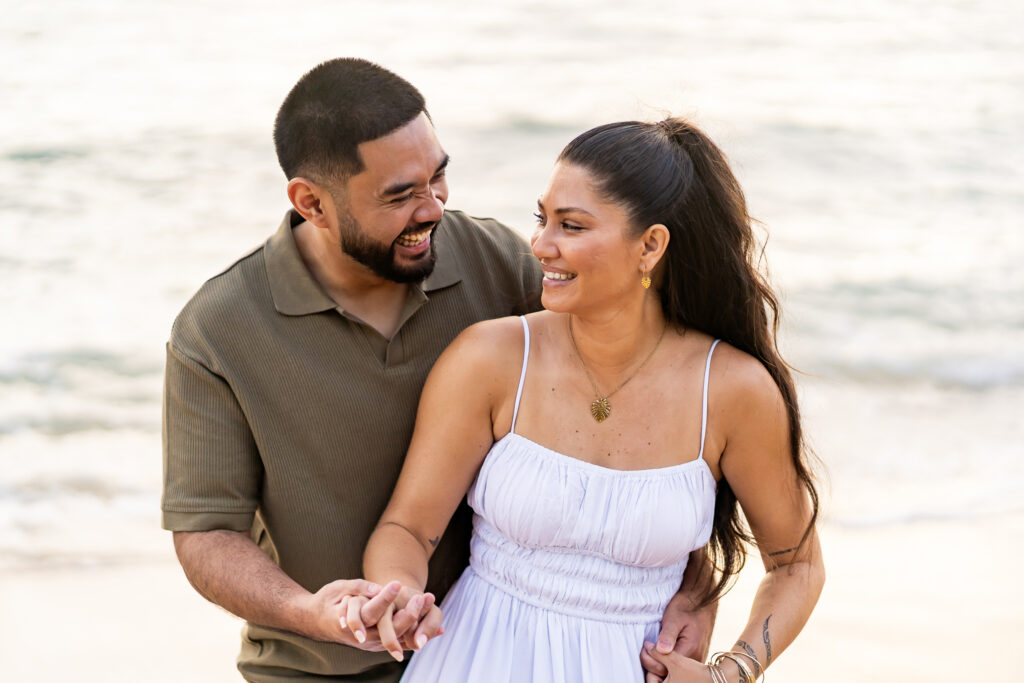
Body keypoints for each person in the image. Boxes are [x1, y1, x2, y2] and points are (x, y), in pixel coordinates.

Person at [162, 58, 715, 682]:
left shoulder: (499, 262)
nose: (433, 208)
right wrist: (309, 611)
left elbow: (644, 407)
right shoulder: (216, 330)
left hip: (487, 655)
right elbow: (207, 531)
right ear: (311, 202)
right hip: (312, 668)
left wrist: (696, 581)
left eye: (438, 176)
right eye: (400, 196)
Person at [360, 117, 825, 682]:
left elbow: (796, 564)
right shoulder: (491, 358)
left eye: (572, 226)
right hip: (474, 661)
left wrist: (732, 673)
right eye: (542, 218)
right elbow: (407, 528)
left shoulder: (733, 391)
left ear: (650, 245)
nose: (540, 244)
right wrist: (401, 595)